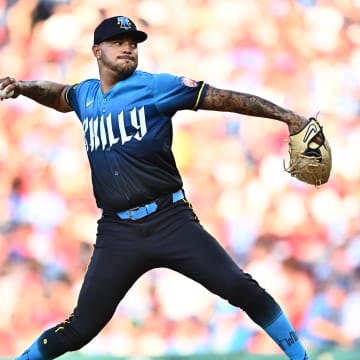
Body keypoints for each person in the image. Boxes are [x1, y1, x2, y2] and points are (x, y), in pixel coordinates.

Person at [1, 15, 312, 360]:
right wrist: (25, 87)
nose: (128, 48)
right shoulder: (85, 94)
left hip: (170, 219)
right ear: (97, 51)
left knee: (240, 287)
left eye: (132, 43)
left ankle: (301, 357)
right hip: (117, 230)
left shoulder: (156, 87)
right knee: (79, 329)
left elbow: (222, 98)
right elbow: (59, 95)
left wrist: (288, 116)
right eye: (118, 42)